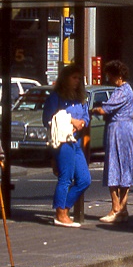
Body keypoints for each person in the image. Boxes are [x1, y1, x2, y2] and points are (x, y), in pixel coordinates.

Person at [91, 60, 133, 223]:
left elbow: (104, 109)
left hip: (117, 131)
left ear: (118, 76)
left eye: (110, 75)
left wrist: (92, 109)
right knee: (125, 168)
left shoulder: (121, 91)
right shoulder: (128, 90)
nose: (108, 78)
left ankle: (115, 207)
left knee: (114, 166)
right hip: (126, 130)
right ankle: (123, 208)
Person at [44, 64, 91, 227]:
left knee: (84, 179)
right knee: (65, 177)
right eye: (74, 78)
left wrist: (82, 122)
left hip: (76, 140)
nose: (77, 81)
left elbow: (86, 116)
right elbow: (48, 119)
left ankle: (65, 207)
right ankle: (60, 213)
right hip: (63, 141)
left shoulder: (80, 98)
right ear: (66, 79)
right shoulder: (56, 97)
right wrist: (71, 120)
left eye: (79, 78)